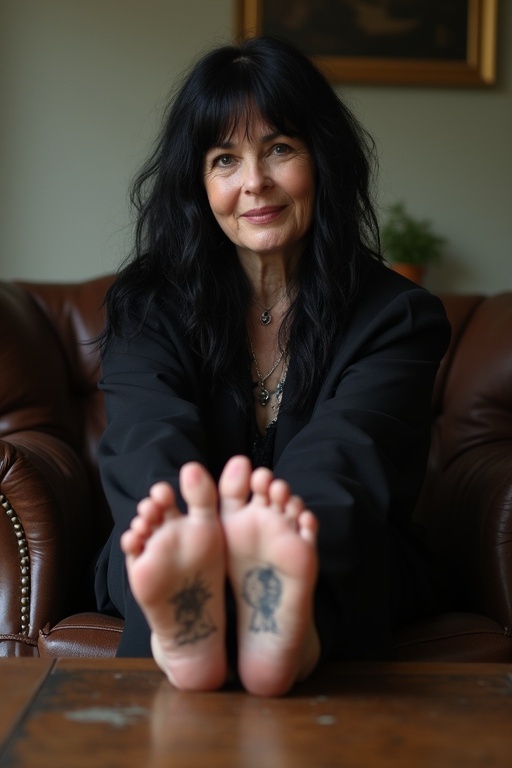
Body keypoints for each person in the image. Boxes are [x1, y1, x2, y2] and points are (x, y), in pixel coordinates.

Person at [94, 36, 450, 696]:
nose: (253, 180)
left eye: (279, 149)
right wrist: (191, 530)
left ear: (323, 160)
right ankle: (198, 613)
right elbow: (148, 440)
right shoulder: (148, 307)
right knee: (143, 540)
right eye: (225, 159)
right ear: (199, 186)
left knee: (360, 550)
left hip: (334, 544)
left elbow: (350, 459)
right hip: (178, 538)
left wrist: (281, 546)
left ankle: (286, 631)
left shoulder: (397, 315)